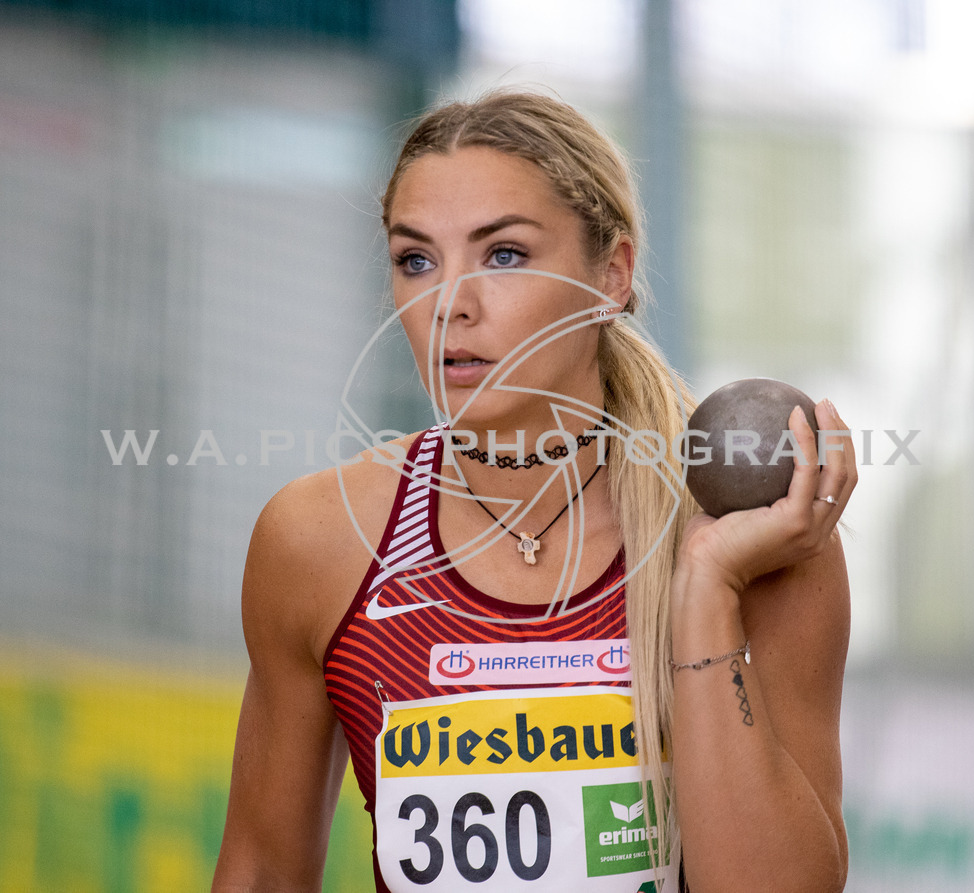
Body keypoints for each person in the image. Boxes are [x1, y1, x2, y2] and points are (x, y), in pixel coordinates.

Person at [212, 90, 856, 892]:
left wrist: (706, 588)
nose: (450, 304)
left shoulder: (755, 528)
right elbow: (262, 872)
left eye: (504, 254)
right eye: (417, 260)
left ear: (611, 275)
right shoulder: (318, 540)